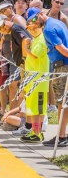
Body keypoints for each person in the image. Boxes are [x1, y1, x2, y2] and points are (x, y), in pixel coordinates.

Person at [26, 8, 68, 147]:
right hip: (60, 65)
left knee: (62, 102)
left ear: (40, 14)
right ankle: (62, 135)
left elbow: (62, 49)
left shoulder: (49, 29)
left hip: (62, 66)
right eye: (30, 22)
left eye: (33, 20)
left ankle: (61, 136)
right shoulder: (57, 23)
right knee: (63, 101)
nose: (34, 24)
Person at [20, 9, 49, 143]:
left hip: (39, 80)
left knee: (38, 109)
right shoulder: (36, 39)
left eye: (35, 27)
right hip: (33, 79)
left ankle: (37, 132)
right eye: (30, 28)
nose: (32, 30)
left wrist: (26, 48)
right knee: (33, 108)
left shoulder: (41, 39)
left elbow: (35, 55)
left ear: (41, 27)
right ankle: (34, 131)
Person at [0, 14, 32, 110]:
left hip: (25, 64)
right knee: (20, 89)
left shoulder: (15, 29)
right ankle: (17, 114)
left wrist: (24, 59)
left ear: (7, 20)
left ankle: (18, 115)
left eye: (3, 26)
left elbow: (26, 40)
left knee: (20, 89)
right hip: (21, 63)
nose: (2, 29)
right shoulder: (13, 30)